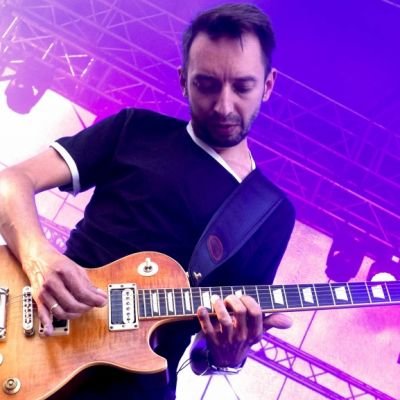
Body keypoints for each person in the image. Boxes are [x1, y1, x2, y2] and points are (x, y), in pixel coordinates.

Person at [0, 3, 295, 399]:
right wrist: (39, 259)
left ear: (268, 85)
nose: (224, 105)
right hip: (37, 341)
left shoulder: (271, 213)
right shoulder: (135, 129)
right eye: (206, 84)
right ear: (183, 81)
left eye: (242, 87)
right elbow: (11, 181)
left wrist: (229, 354)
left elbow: (205, 354)